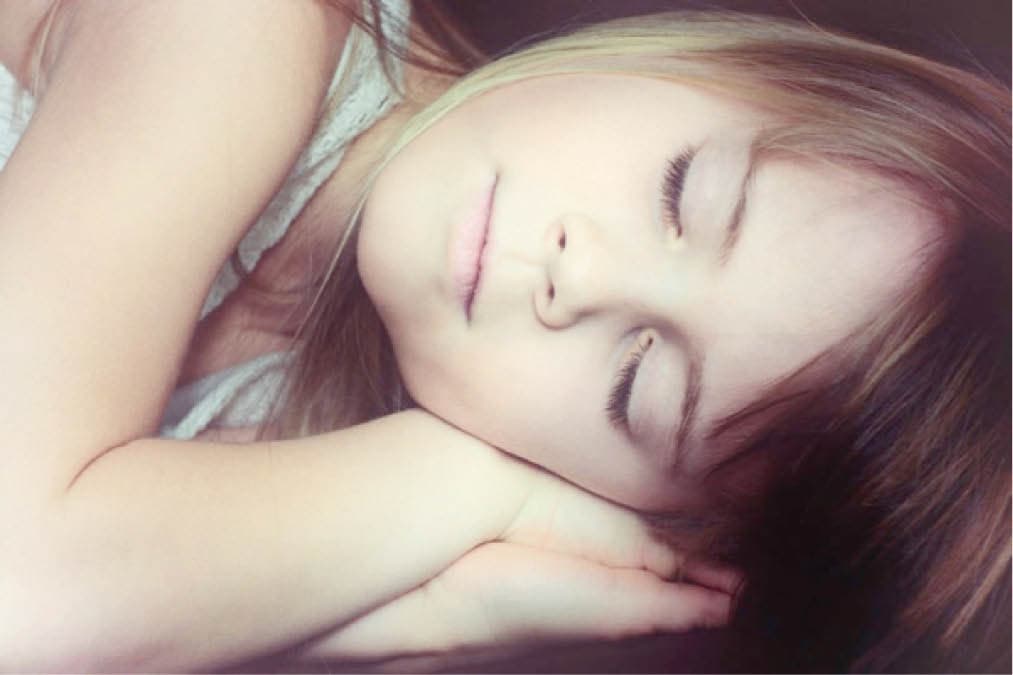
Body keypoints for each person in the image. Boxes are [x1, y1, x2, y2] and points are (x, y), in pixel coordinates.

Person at [0, 1, 1007, 673]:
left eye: (636, 386)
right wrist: (475, 489)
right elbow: (26, 587)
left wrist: (438, 608)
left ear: (629, 508)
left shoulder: (296, 422)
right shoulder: (246, 30)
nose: (580, 277)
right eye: (682, 192)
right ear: (713, 53)